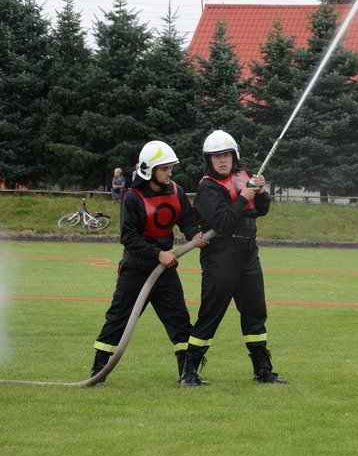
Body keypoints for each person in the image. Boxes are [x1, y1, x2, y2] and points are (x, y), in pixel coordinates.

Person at [90, 141, 208, 385]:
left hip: (164, 270)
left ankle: (187, 374)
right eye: (164, 168)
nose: (169, 173)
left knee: (179, 320)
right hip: (136, 269)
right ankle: (98, 372)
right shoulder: (133, 197)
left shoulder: (176, 191)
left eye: (170, 167)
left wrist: (193, 234)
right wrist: (158, 254)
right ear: (149, 170)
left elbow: (186, 220)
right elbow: (129, 238)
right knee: (118, 319)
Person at [181, 130, 289, 386]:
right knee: (211, 313)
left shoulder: (244, 177)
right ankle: (189, 371)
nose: (222, 160)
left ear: (234, 156)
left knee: (255, 311)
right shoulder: (208, 187)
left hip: (248, 252)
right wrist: (243, 197)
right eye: (217, 156)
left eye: (226, 155)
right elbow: (224, 223)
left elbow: (261, 210)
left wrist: (260, 191)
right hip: (221, 254)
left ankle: (263, 370)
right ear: (209, 160)